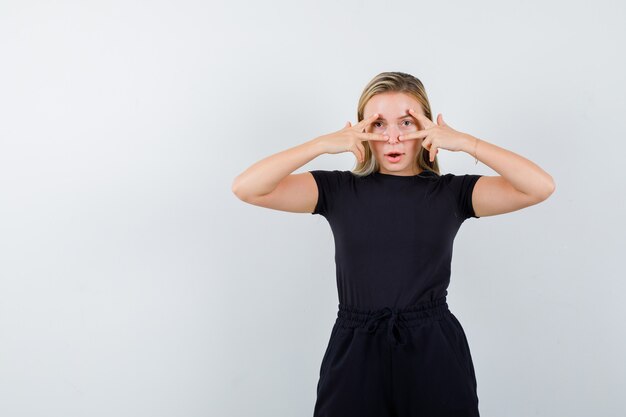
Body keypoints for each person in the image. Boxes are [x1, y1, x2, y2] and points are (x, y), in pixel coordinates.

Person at [231, 71, 555, 417]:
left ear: (428, 127)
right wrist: (321, 145)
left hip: (433, 349)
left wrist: (465, 142)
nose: (393, 138)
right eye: (379, 124)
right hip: (355, 350)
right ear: (362, 131)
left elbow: (539, 187)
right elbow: (248, 188)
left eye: (406, 122)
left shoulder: (452, 194)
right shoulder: (337, 191)